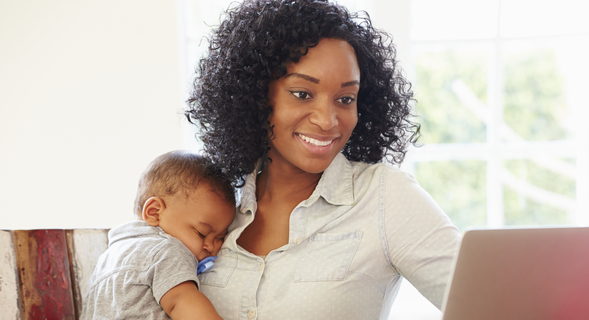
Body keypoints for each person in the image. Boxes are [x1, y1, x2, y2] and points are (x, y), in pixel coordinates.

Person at [185, 0, 462, 319]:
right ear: (258, 96)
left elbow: (493, 303)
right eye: (302, 94)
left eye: (345, 99)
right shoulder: (213, 199)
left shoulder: (384, 197)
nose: (328, 120)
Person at [81, 150, 236, 320]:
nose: (211, 246)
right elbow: (180, 301)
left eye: (220, 237)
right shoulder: (166, 249)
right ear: (154, 212)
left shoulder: (107, 258)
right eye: (202, 233)